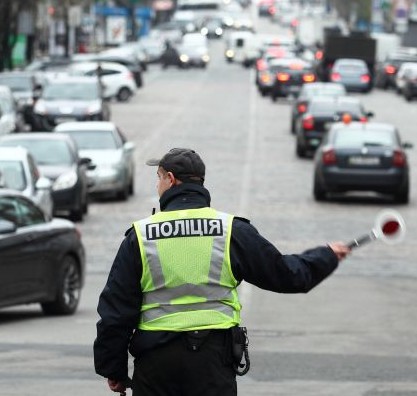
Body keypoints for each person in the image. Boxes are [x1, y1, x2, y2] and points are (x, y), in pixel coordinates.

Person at [93, 148, 351, 396]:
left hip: (156, 363)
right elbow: (287, 274)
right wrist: (326, 255)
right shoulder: (230, 230)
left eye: (158, 178)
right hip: (213, 360)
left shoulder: (141, 236)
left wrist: (113, 368)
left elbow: (116, 310)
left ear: (170, 180)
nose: (158, 185)